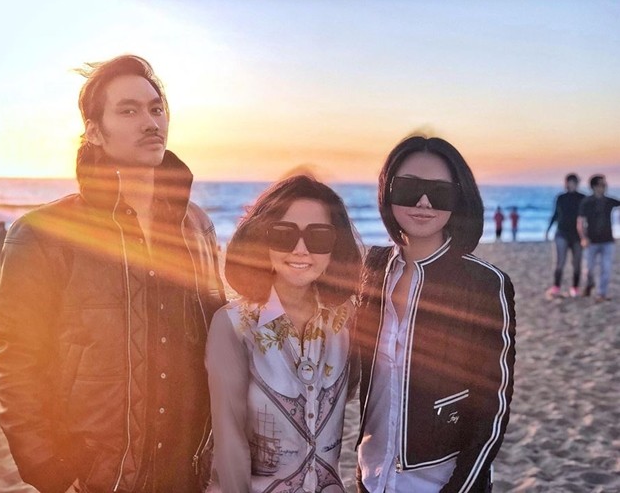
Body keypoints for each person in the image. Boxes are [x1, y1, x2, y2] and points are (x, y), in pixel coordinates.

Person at [0, 55, 225, 493]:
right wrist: (48, 469)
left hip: (189, 472)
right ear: (95, 131)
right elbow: (18, 359)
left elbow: (217, 339)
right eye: (128, 110)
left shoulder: (197, 226)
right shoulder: (44, 234)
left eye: (156, 109)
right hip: (100, 476)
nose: (150, 122)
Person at [354, 135, 516, 493]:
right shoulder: (373, 268)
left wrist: (461, 487)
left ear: (460, 197)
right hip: (372, 474)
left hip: (439, 480)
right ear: (387, 191)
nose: (424, 202)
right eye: (409, 187)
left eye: (440, 192)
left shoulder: (484, 283)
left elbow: (493, 404)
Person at [205, 175, 362, 492]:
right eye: (283, 234)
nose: (301, 249)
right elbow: (229, 444)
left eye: (318, 236)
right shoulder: (233, 325)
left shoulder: (348, 320)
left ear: (336, 246)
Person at [577, 174, 620, 302]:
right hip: (592, 240)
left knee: (606, 268)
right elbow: (580, 221)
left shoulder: (609, 201)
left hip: (607, 240)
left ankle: (601, 293)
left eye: (605, 184)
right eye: (601, 184)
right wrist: (583, 237)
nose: (604, 186)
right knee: (588, 268)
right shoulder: (587, 202)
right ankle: (589, 285)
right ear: (594, 186)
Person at [545, 173, 585, 298]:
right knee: (560, 262)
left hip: (577, 235)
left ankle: (575, 288)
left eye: (574, 182)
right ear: (566, 183)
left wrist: (587, 234)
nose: (571, 184)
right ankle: (556, 286)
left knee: (577, 263)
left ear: (577, 183)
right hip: (561, 233)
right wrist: (548, 229)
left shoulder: (582, 198)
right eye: (569, 182)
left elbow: (587, 216)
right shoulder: (561, 198)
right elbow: (555, 214)